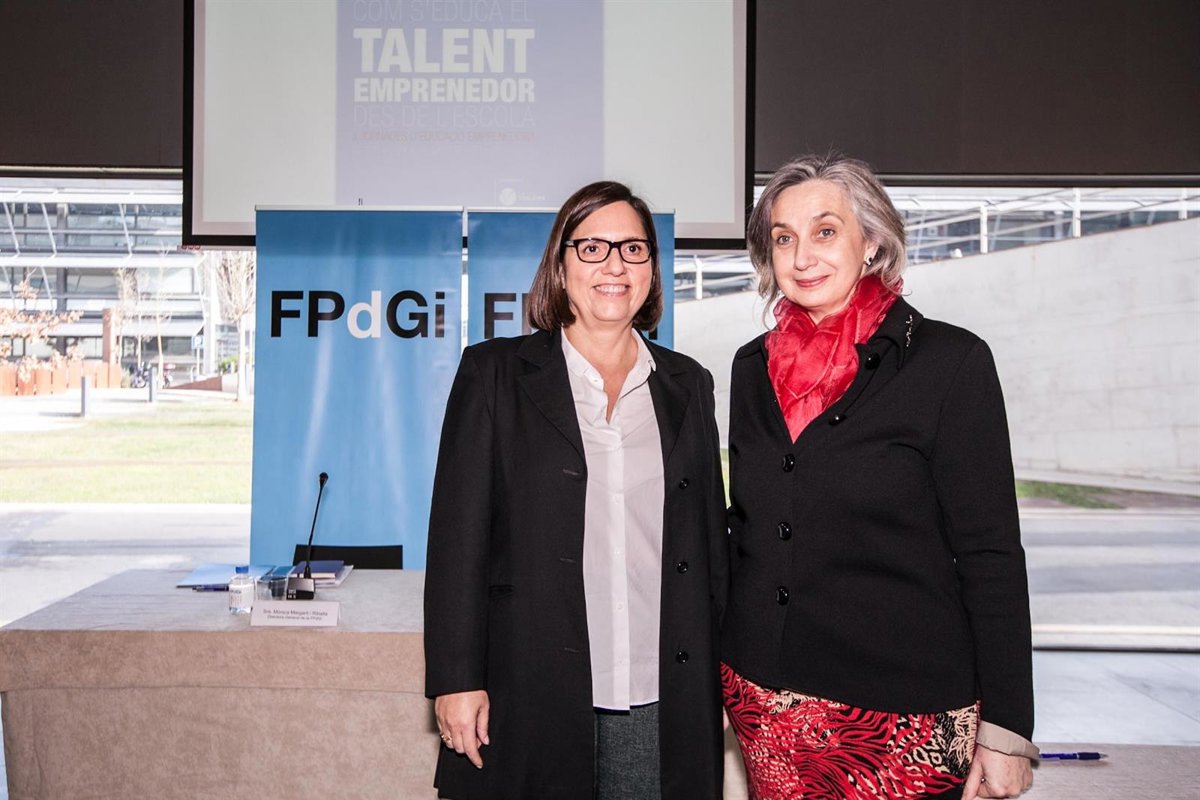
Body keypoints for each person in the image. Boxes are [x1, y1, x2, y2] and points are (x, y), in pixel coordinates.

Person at [721, 155, 1038, 800]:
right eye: (783, 237)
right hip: (766, 704)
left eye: (825, 231)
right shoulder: (751, 368)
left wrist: (1006, 730)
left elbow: (992, 554)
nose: (802, 256)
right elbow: (750, 528)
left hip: (903, 714)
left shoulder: (950, 362)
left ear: (871, 241)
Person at [424, 181, 728, 799]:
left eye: (633, 249)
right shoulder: (493, 374)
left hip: (658, 693)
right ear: (561, 267)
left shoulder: (688, 385)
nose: (615, 265)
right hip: (529, 688)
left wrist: (723, 679)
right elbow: (457, 543)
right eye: (592, 248)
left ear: (651, 269)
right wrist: (455, 677)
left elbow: (709, 548)